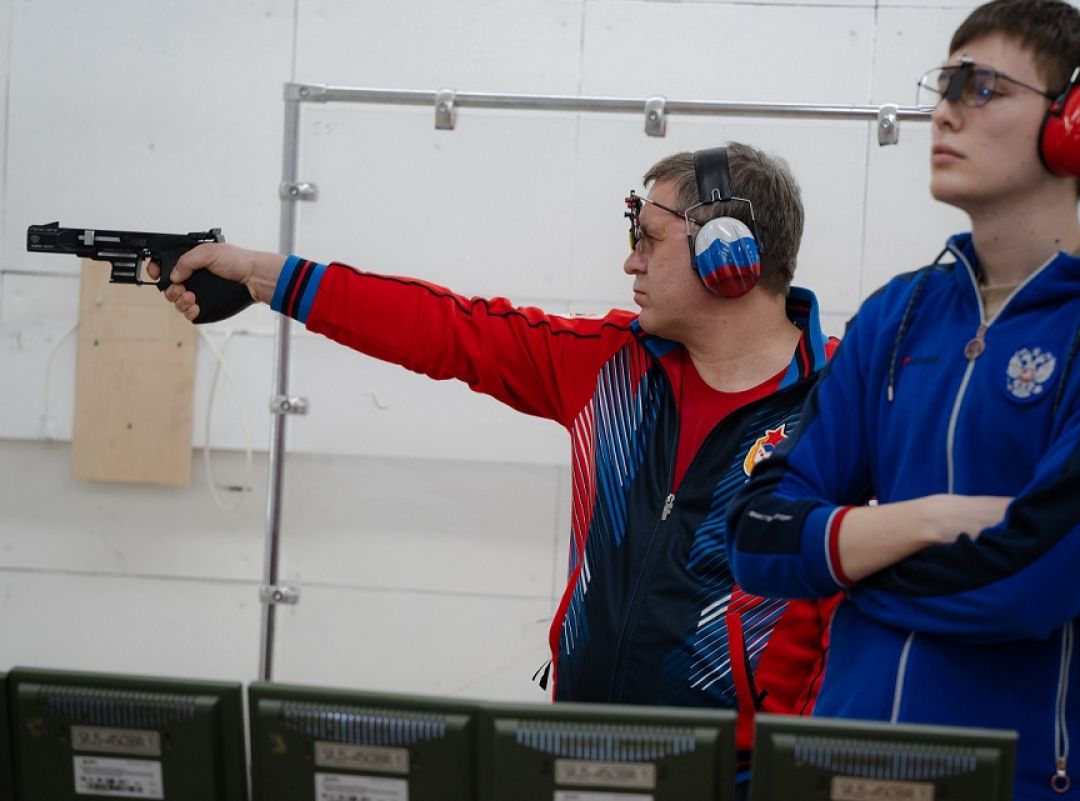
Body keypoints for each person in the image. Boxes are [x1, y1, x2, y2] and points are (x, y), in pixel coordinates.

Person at [154, 142, 839, 790]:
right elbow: (444, 328)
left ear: (728, 254)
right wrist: (262, 277)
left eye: (649, 238)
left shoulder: (842, 405)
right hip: (579, 755)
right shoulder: (610, 364)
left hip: (743, 779)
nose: (631, 262)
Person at [725, 2, 1080, 798]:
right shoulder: (897, 313)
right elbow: (756, 535)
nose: (943, 112)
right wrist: (927, 519)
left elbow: (1031, 582)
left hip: (1026, 780)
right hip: (851, 769)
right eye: (944, 85)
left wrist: (844, 560)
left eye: (982, 88)